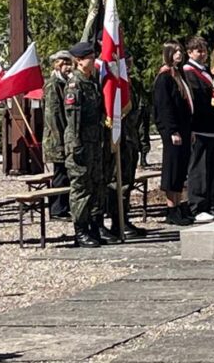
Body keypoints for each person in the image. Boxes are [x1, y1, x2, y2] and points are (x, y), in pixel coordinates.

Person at [63, 41, 106, 248]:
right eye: (90, 57)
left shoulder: (92, 82)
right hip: (80, 144)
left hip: (94, 142)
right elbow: (73, 120)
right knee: (81, 188)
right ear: (79, 61)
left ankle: (94, 225)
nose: (94, 60)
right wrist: (76, 145)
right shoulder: (75, 85)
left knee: (96, 185)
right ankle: (80, 230)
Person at [183, 37, 214, 222]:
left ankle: (209, 204)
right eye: (198, 51)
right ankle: (197, 206)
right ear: (190, 53)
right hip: (200, 127)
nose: (202, 54)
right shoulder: (188, 72)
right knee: (199, 170)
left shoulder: (207, 72)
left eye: (204, 50)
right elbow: (196, 100)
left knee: (213, 169)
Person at [152, 41, 194, 226]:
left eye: (180, 51)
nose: (179, 54)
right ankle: (170, 208)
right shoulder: (165, 78)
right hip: (173, 131)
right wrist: (171, 131)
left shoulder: (179, 74)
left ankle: (178, 205)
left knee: (180, 170)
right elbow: (164, 107)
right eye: (175, 51)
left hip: (184, 128)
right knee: (172, 169)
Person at [111, 58, 150, 239]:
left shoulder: (130, 84)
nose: (127, 67)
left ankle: (123, 219)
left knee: (128, 182)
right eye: (123, 63)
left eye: (128, 63)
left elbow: (140, 114)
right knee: (118, 183)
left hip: (131, 139)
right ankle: (116, 221)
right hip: (119, 140)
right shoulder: (113, 84)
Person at [42, 50, 73, 220]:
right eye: (64, 64)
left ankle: (64, 205)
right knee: (60, 174)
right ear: (56, 65)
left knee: (65, 173)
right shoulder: (53, 85)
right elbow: (53, 116)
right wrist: (62, 140)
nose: (68, 67)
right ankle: (57, 209)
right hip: (57, 138)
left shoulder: (65, 83)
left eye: (69, 63)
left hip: (65, 137)